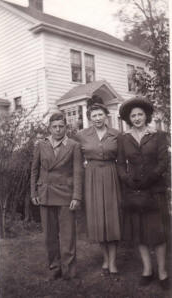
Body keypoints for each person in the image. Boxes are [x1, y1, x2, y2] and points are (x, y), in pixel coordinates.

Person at [117, 96, 170, 290]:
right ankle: (147, 270)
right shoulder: (124, 138)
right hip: (135, 192)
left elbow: (164, 162)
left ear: (146, 116)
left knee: (158, 234)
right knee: (139, 233)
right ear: (129, 118)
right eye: (133, 115)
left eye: (140, 114)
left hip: (155, 191)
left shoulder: (158, 135)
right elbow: (121, 164)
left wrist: (151, 178)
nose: (137, 118)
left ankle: (163, 273)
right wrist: (127, 179)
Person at [31, 111, 82, 280]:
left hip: (66, 194)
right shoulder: (41, 144)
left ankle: (69, 269)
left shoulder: (73, 145)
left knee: (68, 235)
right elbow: (35, 170)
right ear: (49, 128)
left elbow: (77, 172)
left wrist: (76, 196)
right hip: (45, 193)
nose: (58, 130)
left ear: (66, 127)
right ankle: (54, 267)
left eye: (61, 126)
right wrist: (34, 192)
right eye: (55, 127)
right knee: (49, 235)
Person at [76, 95, 121, 276]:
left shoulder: (117, 134)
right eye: (94, 115)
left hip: (111, 175)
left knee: (112, 218)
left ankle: (113, 262)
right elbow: (76, 160)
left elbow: (124, 157)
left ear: (106, 115)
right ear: (89, 117)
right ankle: (104, 259)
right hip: (92, 177)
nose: (97, 118)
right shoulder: (81, 136)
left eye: (100, 114)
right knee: (98, 219)